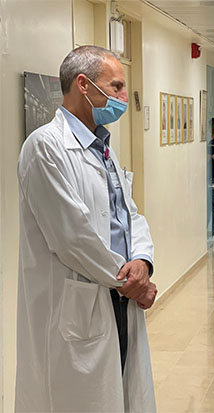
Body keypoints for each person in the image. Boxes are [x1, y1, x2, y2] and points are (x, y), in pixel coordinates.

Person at [16, 45, 157, 412]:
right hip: (79, 305)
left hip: (118, 295)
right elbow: (73, 237)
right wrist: (132, 282)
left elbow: (129, 214)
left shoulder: (102, 147)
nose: (124, 98)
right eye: (116, 87)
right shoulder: (45, 147)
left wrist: (142, 262)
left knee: (122, 393)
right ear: (83, 84)